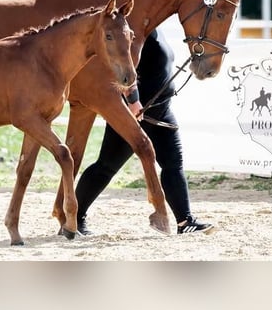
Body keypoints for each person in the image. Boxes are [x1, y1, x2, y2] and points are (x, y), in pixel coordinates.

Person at [74, 28, 216, 235]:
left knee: (173, 164)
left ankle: (185, 222)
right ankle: (73, 217)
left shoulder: (157, 31)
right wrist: (133, 102)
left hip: (162, 110)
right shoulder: (135, 33)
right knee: (106, 166)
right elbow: (122, 68)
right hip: (136, 113)